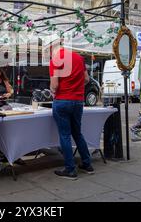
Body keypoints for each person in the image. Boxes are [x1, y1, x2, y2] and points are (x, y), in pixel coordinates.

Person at [49, 39, 93, 179]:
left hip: (62, 100)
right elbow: (86, 79)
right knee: (77, 133)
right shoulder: (79, 58)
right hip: (78, 101)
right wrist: (76, 86)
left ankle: (70, 169)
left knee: (65, 135)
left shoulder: (56, 59)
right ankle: (87, 164)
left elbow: (54, 85)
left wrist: (52, 91)